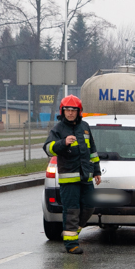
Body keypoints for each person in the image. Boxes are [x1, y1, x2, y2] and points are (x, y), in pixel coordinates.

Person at [43, 95, 101, 254]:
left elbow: (92, 151)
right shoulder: (58, 129)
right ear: (62, 111)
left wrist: (96, 171)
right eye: (67, 110)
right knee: (72, 211)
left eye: (73, 110)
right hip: (69, 179)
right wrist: (63, 143)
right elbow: (48, 148)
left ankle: (71, 233)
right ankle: (71, 244)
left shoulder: (85, 127)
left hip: (86, 177)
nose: (70, 113)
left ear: (79, 111)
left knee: (89, 207)